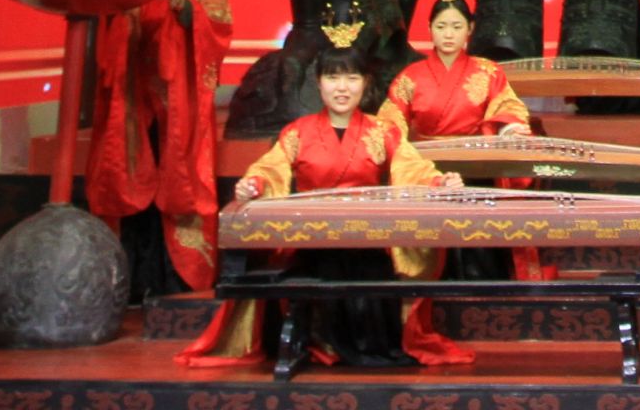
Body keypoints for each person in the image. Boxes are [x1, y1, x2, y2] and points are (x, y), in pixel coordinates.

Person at [181, 44, 472, 370]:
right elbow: (270, 169)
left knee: (372, 270)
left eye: (352, 77)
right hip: (313, 240)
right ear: (319, 83)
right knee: (320, 267)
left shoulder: (382, 131)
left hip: (367, 238)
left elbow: (412, 169)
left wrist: (438, 182)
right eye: (333, 77)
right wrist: (254, 184)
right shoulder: (297, 132)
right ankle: (317, 341)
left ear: (365, 82)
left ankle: (367, 343)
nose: (342, 87)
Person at [375, 0, 548, 356]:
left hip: (477, 166)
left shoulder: (488, 72)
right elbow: (390, 119)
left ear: (470, 29)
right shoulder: (411, 77)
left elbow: (506, 107)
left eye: (456, 26)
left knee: (479, 232)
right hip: (429, 168)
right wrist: (399, 148)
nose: (448, 34)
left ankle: (484, 287)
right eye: (441, 27)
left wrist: (508, 130)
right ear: (430, 31)